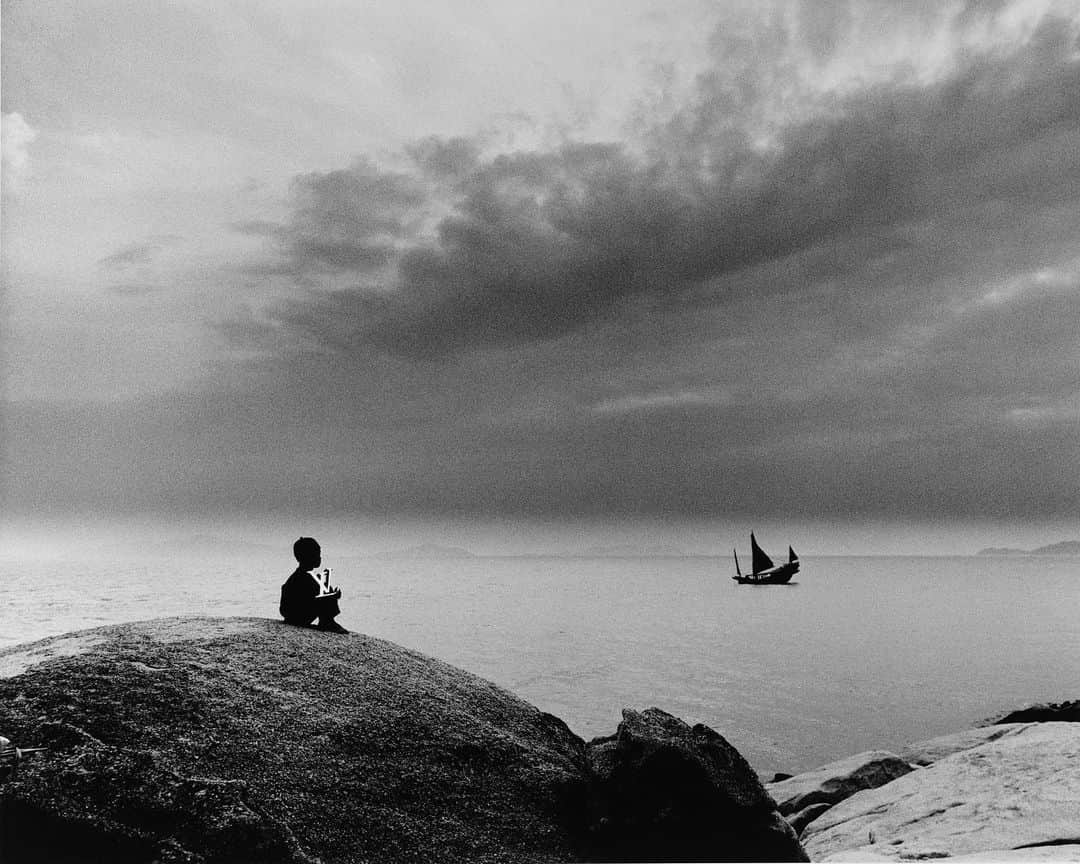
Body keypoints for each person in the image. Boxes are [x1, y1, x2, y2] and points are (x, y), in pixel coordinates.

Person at [280, 537, 349, 633]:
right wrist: (332, 596)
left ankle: (327, 621)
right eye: (316, 554)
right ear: (307, 556)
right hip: (296, 617)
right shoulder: (303, 577)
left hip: (291, 616)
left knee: (325, 588)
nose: (320, 558)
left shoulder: (301, 575)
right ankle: (327, 621)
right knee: (325, 589)